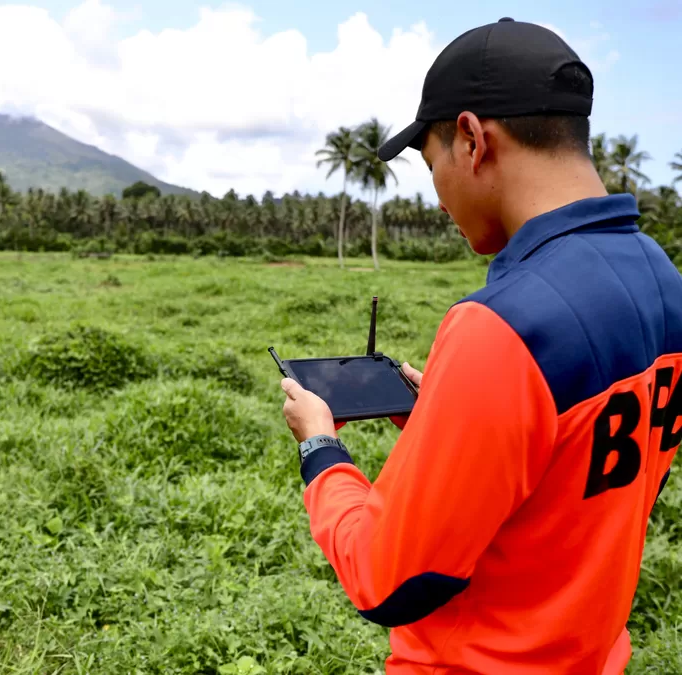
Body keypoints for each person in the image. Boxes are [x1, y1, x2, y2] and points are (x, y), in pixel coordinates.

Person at [280, 17, 682, 675]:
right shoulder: (663, 280)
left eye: (430, 160)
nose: (437, 196)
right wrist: (447, 418)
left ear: (471, 139)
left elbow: (389, 579)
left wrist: (320, 448)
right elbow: (578, 478)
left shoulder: (500, 328)